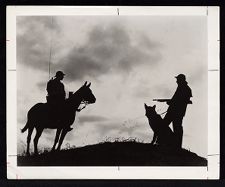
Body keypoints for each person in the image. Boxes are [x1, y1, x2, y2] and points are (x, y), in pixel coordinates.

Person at [163, 74, 192, 148]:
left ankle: (176, 146)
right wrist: (171, 102)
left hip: (176, 112)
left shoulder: (185, 88)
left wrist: (171, 102)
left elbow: (182, 101)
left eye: (178, 79)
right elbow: (179, 100)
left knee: (174, 128)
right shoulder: (184, 88)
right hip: (175, 111)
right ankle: (173, 144)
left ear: (181, 80)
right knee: (169, 127)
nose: (176, 81)